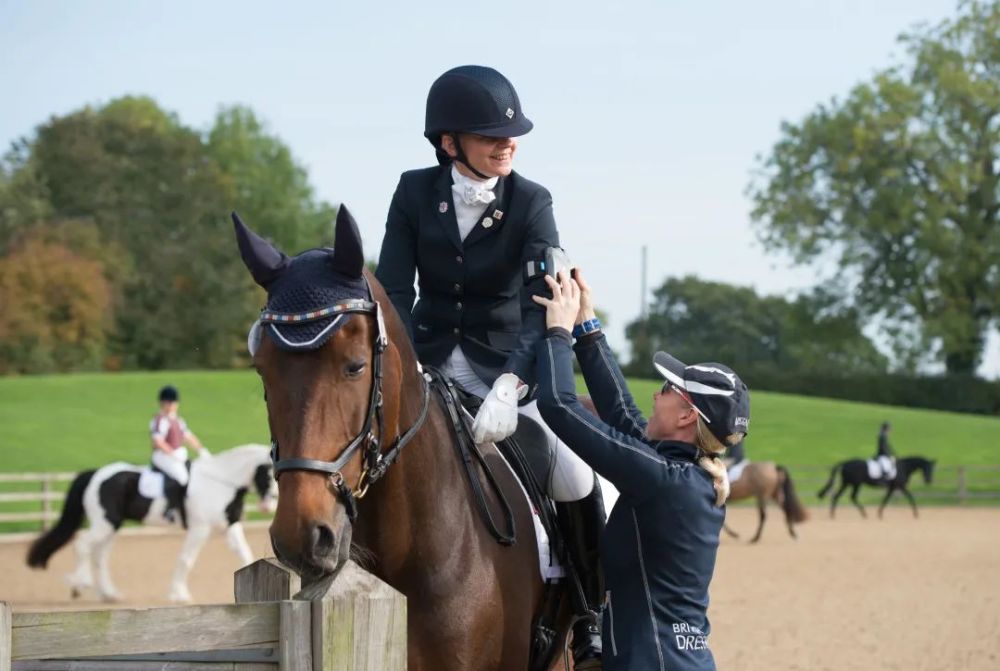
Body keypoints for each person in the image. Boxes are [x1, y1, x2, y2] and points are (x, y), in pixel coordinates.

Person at [375, 65, 604, 667]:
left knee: (576, 474)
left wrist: (509, 385)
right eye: (490, 136)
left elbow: (543, 305)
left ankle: (590, 616)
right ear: (448, 143)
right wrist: (404, 364)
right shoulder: (412, 191)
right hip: (424, 364)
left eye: (512, 136)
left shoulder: (532, 202)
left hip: (509, 365)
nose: (508, 144)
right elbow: (394, 288)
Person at [532, 270, 749, 671]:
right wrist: (586, 325)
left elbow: (560, 407)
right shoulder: (683, 476)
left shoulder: (665, 482)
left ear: (687, 415)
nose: (655, 392)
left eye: (667, 389)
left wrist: (558, 333)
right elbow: (623, 415)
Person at [150, 385, 207, 524]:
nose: (171, 405)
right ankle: (170, 509)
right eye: (168, 403)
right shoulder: (160, 420)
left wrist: (202, 450)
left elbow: (189, 437)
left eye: (173, 402)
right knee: (182, 477)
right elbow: (158, 442)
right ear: (162, 403)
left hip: (177, 454)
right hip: (162, 456)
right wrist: (172, 454)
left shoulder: (178, 420)